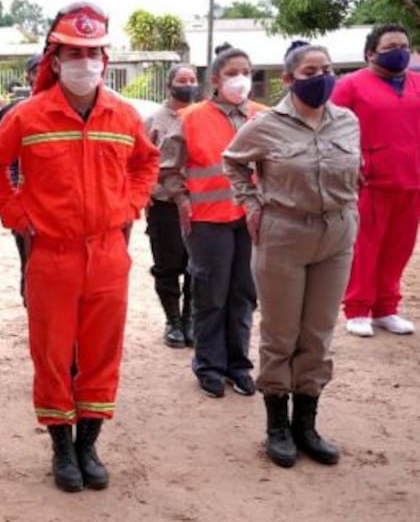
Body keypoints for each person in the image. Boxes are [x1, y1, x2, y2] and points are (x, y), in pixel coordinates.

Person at [0, 2, 159, 493]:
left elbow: (147, 163)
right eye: (74, 53)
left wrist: (131, 205)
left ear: (105, 58)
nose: (86, 62)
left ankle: (88, 445)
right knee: (53, 355)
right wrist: (18, 219)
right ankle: (61, 448)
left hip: (107, 254)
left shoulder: (122, 114)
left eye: (93, 52)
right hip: (51, 255)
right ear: (55, 60)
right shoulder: (27, 115)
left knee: (101, 353)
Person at [223, 41, 359, 468]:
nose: (321, 78)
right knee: (281, 334)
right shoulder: (267, 124)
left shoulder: (348, 121)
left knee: (317, 334)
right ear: (288, 80)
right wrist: (252, 203)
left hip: (336, 235)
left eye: (327, 69)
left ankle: (307, 424)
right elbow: (232, 161)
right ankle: (277, 426)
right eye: (310, 71)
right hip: (283, 232)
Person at [159, 48, 267, 399]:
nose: (241, 78)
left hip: (251, 221)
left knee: (244, 294)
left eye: (247, 71)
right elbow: (169, 167)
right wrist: (181, 199)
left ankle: (239, 365)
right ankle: (209, 366)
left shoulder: (263, 116)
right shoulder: (190, 117)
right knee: (211, 294)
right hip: (207, 222)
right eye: (233, 72)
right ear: (216, 80)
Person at [331, 24, 420, 337]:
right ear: (370, 53)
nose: (400, 51)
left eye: (404, 45)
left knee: (400, 247)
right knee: (365, 246)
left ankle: (386, 307)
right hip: (369, 181)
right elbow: (331, 127)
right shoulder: (351, 85)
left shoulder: (417, 82)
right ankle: (357, 308)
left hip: (411, 179)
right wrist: (349, 162)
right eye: (392, 46)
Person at [144, 64, 198, 348]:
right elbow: (139, 159)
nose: (188, 84)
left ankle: (190, 319)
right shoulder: (153, 119)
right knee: (168, 264)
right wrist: (144, 192)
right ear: (170, 85)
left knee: (194, 264)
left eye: (192, 80)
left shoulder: (201, 117)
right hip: (163, 202)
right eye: (182, 80)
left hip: (199, 202)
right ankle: (173, 320)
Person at [0, 53, 42, 303]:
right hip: (28, 208)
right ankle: (32, 307)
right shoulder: (13, 113)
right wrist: (14, 203)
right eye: (36, 70)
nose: (42, 75)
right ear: (28, 76)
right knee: (30, 262)